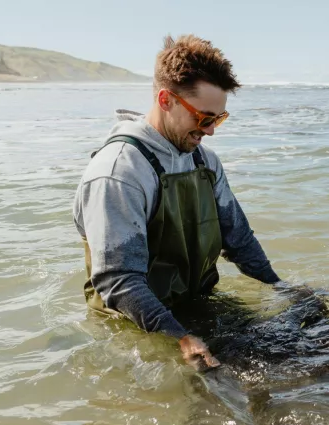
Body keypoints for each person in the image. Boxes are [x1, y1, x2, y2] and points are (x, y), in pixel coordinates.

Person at [73, 34, 287, 370]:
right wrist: (181, 338)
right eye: (204, 119)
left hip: (196, 304)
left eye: (218, 119)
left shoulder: (205, 161)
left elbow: (239, 239)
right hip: (137, 325)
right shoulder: (118, 173)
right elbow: (118, 280)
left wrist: (282, 288)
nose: (212, 131)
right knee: (206, 408)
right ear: (166, 99)